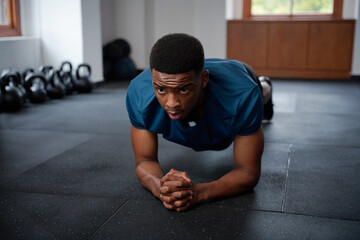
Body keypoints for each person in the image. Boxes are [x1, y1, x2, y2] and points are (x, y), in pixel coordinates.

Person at [126, 33, 273, 212]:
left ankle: (266, 85)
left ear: (204, 80)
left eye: (183, 89)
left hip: (239, 74)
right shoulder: (139, 94)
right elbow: (144, 161)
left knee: (261, 95)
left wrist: (199, 193)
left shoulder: (243, 94)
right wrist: (161, 189)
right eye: (161, 89)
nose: (171, 103)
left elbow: (248, 172)